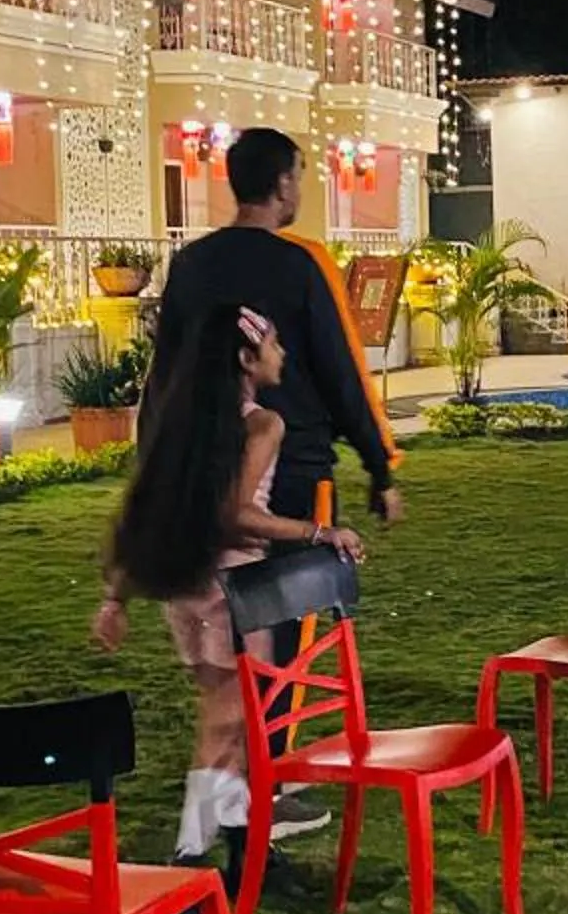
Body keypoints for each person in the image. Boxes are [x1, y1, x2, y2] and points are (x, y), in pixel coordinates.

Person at [146, 127, 403, 838]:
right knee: (285, 638)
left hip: (205, 480)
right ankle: (266, 787)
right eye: (298, 179)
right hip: (292, 480)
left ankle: (234, 801)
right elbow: (343, 368)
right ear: (284, 184)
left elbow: (162, 374)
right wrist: (381, 466)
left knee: (230, 650)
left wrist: (159, 469)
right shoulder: (301, 263)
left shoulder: (191, 265)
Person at [94, 307, 364, 861]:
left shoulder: (182, 424)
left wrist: (115, 597)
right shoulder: (261, 424)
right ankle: (192, 855)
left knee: (235, 721)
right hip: (234, 594)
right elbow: (237, 515)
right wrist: (319, 532)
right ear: (246, 359)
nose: (281, 355)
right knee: (226, 723)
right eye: (273, 345)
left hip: (188, 588)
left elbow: (144, 510)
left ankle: (246, 844)